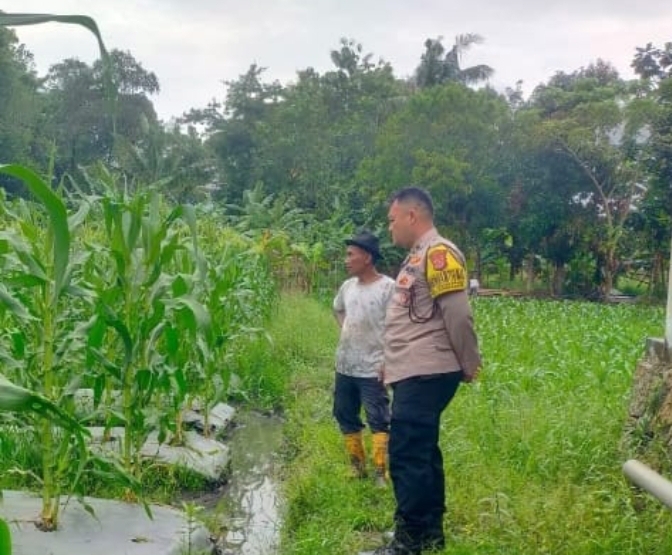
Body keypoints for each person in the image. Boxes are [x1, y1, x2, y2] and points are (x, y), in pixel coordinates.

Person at [362, 188, 481, 555]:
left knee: (407, 454)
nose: (390, 227)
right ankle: (429, 534)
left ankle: (408, 542)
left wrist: (469, 362)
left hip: (427, 372)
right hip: (413, 370)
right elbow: (410, 318)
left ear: (411, 216)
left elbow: (458, 315)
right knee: (423, 451)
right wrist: (389, 363)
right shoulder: (417, 255)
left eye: (392, 219)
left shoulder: (440, 253)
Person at [333, 230, 395, 486]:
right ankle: (357, 467)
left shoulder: (388, 288)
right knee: (344, 414)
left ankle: (381, 471)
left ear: (367, 257)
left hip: (373, 368)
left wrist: (388, 361)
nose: (346, 260)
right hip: (345, 365)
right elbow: (338, 309)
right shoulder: (347, 287)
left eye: (351, 255)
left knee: (377, 417)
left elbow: (397, 328)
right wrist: (347, 329)